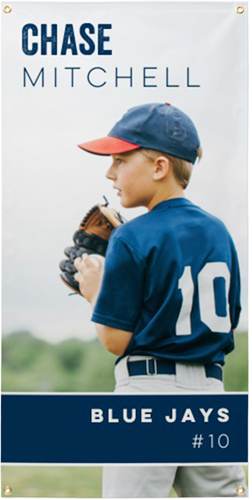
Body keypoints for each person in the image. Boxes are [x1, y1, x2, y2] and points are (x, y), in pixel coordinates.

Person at [74, 103, 247, 497]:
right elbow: (227, 319)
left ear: (159, 167)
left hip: (148, 395)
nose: (109, 173)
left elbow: (114, 341)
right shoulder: (218, 232)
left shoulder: (132, 236)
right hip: (211, 399)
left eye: (120, 160)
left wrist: (96, 293)